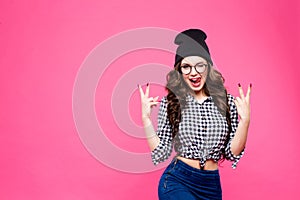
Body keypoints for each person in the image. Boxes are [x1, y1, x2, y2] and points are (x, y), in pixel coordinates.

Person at [138, 29, 251, 200]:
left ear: (208, 66)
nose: (193, 72)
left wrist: (245, 121)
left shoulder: (225, 101)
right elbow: (161, 152)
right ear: (180, 71)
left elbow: (231, 153)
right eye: (186, 66)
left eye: (199, 65)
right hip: (178, 180)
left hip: (211, 185)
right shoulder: (172, 103)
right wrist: (146, 119)